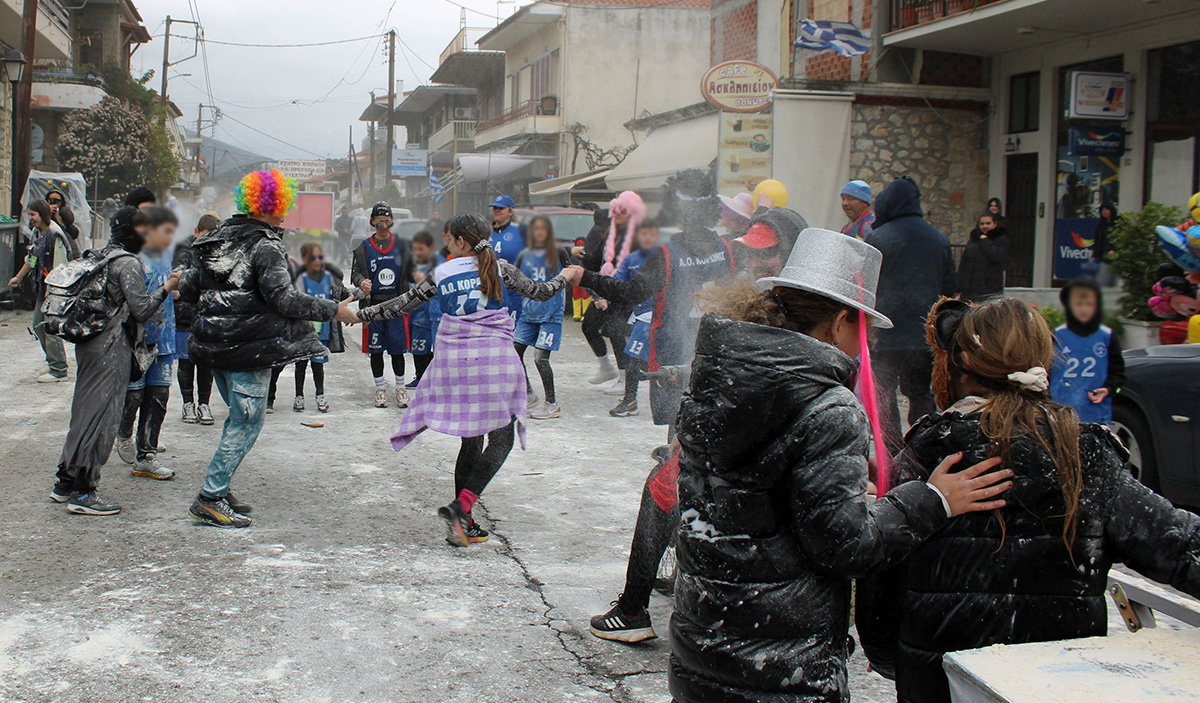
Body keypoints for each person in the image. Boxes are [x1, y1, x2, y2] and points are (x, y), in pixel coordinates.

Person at [667, 230, 1012, 703]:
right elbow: (846, 548)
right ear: (838, 323)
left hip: (699, 650)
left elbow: (744, 503)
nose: (864, 342)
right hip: (781, 667)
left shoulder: (719, 375)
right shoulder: (828, 407)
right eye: (863, 327)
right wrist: (931, 500)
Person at [857, 296, 1200, 703]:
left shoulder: (932, 451)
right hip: (1054, 682)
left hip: (940, 683)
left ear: (960, 364)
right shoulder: (1083, 456)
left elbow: (882, 580)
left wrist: (894, 662)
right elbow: (1179, 547)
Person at [579, 169, 738, 642]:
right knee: (698, 473)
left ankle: (635, 608)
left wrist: (582, 275)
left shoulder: (667, 254)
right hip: (723, 369)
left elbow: (629, 293)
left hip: (676, 370)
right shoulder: (728, 251)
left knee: (674, 481)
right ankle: (682, 570)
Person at [352, 213, 577, 547]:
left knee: (470, 440)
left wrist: (357, 313)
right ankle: (462, 508)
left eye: (449, 239)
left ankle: (462, 524)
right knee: (501, 441)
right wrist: (565, 276)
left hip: (457, 366)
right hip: (496, 364)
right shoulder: (502, 268)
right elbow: (541, 292)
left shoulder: (441, 273)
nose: (446, 245)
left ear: (460, 241)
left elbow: (400, 305)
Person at [178, 169, 358, 528]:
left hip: (215, 346)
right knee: (247, 422)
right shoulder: (266, 246)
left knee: (237, 418)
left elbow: (189, 290)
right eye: (281, 205)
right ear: (267, 205)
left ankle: (221, 486)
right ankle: (210, 496)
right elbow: (285, 300)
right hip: (250, 349)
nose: (284, 212)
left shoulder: (213, 240)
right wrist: (332, 310)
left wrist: (193, 302)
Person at [51, 206, 179, 515]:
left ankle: (64, 482)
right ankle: (84, 493)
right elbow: (142, 309)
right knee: (103, 416)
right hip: (111, 348)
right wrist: (167, 289)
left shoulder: (101, 256)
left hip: (90, 344)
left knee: (83, 412)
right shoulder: (128, 263)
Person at [866, 176, 956, 454]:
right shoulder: (938, 239)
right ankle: (921, 451)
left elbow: (865, 286)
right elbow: (951, 290)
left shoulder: (877, 238)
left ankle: (891, 455)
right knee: (920, 393)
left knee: (884, 395)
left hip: (885, 334)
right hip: (924, 336)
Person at [114, 206, 180, 480]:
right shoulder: (132, 259)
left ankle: (146, 456)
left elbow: (171, 291)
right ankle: (124, 433)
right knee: (134, 396)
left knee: (159, 397)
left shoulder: (167, 257)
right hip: (138, 341)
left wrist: (175, 288)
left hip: (165, 339)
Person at [578, 192, 646, 389]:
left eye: (622, 212)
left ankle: (625, 380)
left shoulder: (639, 239)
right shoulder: (609, 234)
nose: (617, 216)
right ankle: (606, 368)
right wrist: (578, 257)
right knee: (589, 326)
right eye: (616, 212)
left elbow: (641, 270)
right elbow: (594, 260)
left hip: (625, 292)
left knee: (616, 331)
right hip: (607, 288)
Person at [352, 201, 415, 408]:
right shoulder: (363, 247)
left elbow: (410, 272)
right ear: (372, 222)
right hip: (373, 307)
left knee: (397, 350)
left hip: (396, 305)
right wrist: (362, 282)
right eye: (380, 222)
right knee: (376, 349)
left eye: (387, 222)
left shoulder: (402, 245)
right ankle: (380, 390)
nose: (384, 226)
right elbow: (355, 274)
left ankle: (400, 388)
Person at [9, 199, 73, 382]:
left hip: (53, 291)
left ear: (42, 214)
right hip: (42, 289)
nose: (30, 219)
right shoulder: (38, 232)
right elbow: (32, 259)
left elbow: (61, 267)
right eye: (29, 214)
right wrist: (18, 277)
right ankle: (53, 361)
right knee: (39, 326)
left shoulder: (55, 234)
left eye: (33, 214)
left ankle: (59, 369)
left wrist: (53, 290)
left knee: (49, 327)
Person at [515, 216, 569, 420]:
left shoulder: (558, 252)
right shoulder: (524, 255)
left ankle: (552, 403)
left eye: (542, 228)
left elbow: (572, 273)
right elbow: (514, 280)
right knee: (514, 353)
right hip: (528, 315)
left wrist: (597, 296)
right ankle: (528, 393)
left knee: (540, 358)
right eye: (535, 228)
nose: (539, 232)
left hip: (550, 315)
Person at [1050, 277, 1125, 425]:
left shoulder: (1107, 336)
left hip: (1096, 414)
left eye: (1089, 304)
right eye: (1078, 304)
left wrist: (1109, 389)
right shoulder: (1056, 336)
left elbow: (1118, 373)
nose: (1084, 309)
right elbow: (1045, 371)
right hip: (1060, 413)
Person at [292, 242, 353, 413]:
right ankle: (299, 395)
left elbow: (346, 295)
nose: (317, 261)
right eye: (312, 258)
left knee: (318, 365)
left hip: (322, 332)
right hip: (303, 332)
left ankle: (320, 394)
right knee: (301, 364)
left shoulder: (330, 278)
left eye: (320, 257)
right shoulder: (300, 280)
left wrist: (362, 292)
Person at [609, 218, 660, 418]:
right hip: (640, 316)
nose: (647, 238)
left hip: (655, 316)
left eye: (651, 234)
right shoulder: (632, 258)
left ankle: (631, 400)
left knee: (632, 356)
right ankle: (632, 399)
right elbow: (617, 282)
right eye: (644, 234)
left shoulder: (662, 257)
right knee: (636, 357)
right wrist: (602, 294)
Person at [175, 213, 219, 425]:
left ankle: (204, 403)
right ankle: (187, 403)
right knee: (185, 362)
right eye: (204, 236)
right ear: (196, 233)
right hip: (185, 317)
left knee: (206, 364)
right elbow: (177, 282)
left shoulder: (218, 257)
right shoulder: (184, 253)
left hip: (208, 319)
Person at [406, 230, 441, 391]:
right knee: (417, 348)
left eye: (422, 249)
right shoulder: (413, 266)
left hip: (432, 315)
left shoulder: (437, 266)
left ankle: (429, 378)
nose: (418, 253)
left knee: (432, 350)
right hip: (416, 315)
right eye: (416, 249)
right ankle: (419, 376)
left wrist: (424, 280)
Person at [956, 211, 1009, 302]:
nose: (985, 226)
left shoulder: (1001, 240)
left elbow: (998, 257)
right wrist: (959, 286)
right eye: (982, 224)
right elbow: (964, 263)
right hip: (969, 289)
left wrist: (985, 241)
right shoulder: (973, 240)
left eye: (988, 223)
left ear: (995, 224)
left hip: (989, 289)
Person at [489, 194, 527, 320]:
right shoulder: (485, 232)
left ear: (510, 211)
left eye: (501, 208)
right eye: (495, 208)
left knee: (511, 330)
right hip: (490, 289)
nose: (497, 211)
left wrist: (570, 251)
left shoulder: (521, 231)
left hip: (513, 291)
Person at [1090, 199, 1118, 286]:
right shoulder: (1100, 226)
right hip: (1104, 257)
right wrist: (1094, 255)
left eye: (1106, 209)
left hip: (1117, 257)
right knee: (1102, 279)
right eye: (1102, 209)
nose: (1104, 212)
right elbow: (1098, 242)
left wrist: (1115, 250)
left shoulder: (1118, 224)